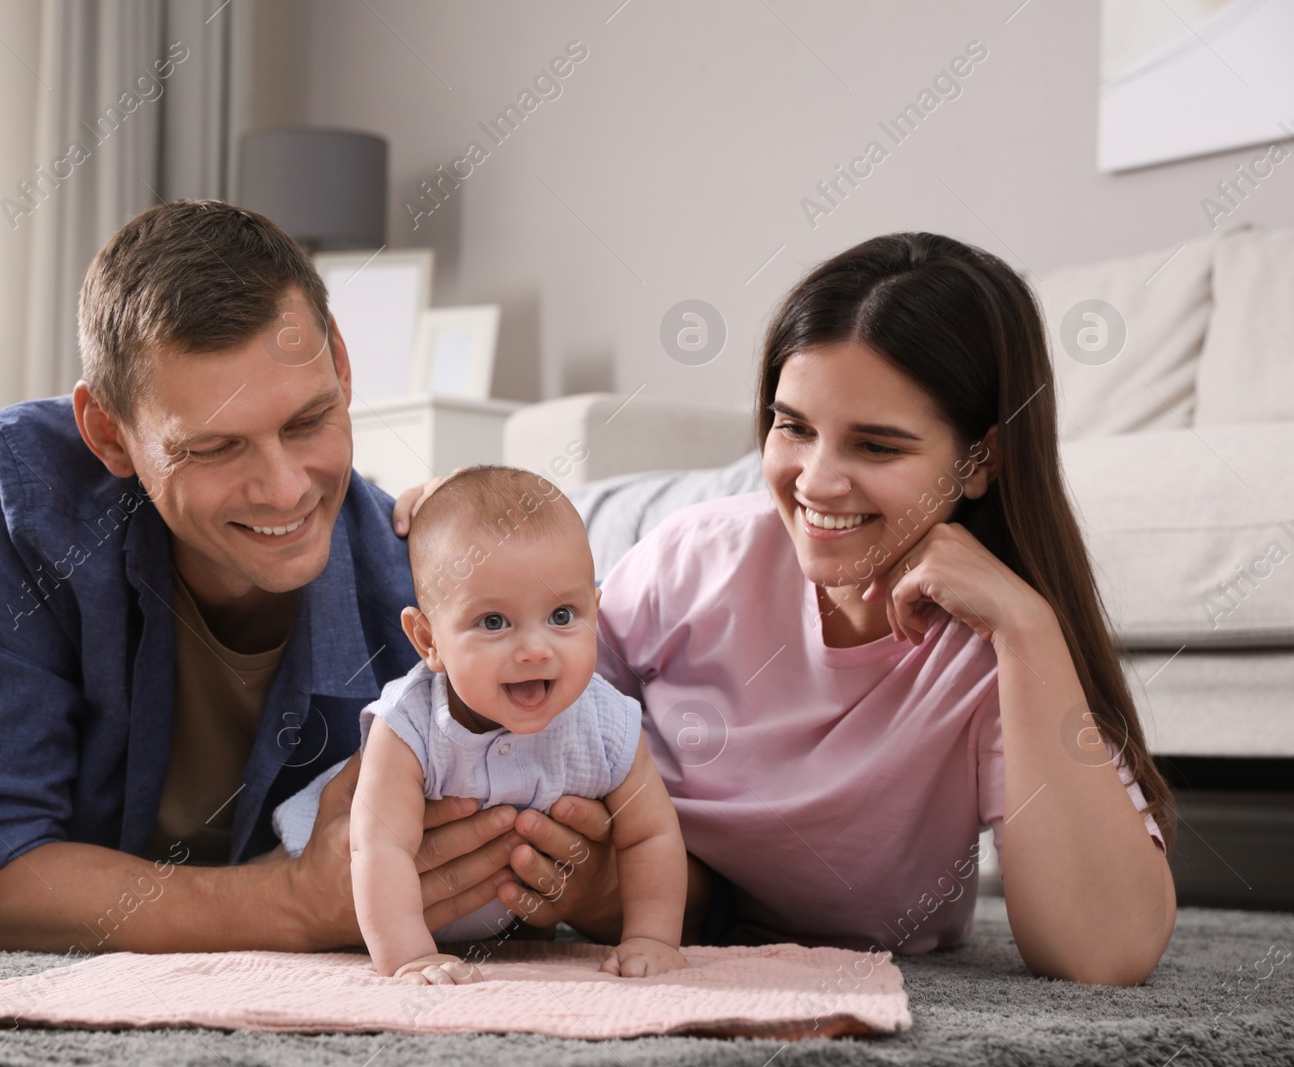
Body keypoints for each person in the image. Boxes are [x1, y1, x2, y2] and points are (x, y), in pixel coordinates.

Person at [0, 201, 531, 953]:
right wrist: (288, 904)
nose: (284, 489)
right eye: (214, 446)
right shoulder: (5, 491)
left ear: (341, 366)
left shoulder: (421, 588)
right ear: (108, 431)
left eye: (308, 420)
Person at [398, 233, 1178, 986]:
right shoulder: (695, 556)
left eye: (877, 446)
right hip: (647, 901)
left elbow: (1104, 954)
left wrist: (1027, 624)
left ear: (980, 460)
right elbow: (491, 706)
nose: (816, 482)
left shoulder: (989, 655)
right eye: (793, 426)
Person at [275, 466, 689, 984]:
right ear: (428, 641)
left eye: (563, 616)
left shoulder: (609, 725)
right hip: (354, 897)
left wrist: (651, 937)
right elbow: (378, 849)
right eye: (494, 622)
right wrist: (409, 955)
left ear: (596, 614)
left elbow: (650, 835)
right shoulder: (407, 728)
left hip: (497, 916)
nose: (536, 650)